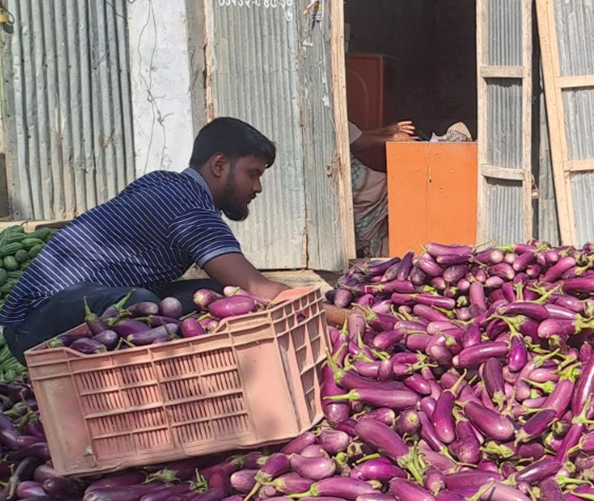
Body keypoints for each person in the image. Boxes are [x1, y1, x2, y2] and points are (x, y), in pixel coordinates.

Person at [0, 117, 345, 364]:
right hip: (37, 323)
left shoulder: (162, 182)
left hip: (39, 315)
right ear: (220, 165)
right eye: (252, 174)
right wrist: (344, 317)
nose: (257, 188)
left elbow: (237, 289)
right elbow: (256, 286)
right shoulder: (190, 212)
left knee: (213, 293)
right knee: (144, 303)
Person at [349, 120, 415, 258]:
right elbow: (358, 141)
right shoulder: (325, 108)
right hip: (340, 171)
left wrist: (386, 130)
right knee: (387, 185)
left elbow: (353, 132)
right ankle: (364, 237)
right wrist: (391, 138)